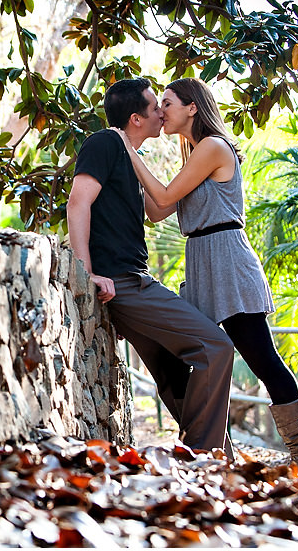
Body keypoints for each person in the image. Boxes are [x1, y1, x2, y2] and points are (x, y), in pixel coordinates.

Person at [117, 77, 298, 470]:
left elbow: (162, 197)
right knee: (190, 358)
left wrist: (128, 150)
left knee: (263, 360)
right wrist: (126, 165)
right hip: (202, 260)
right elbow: (159, 210)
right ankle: (212, 449)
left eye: (168, 102)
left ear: (192, 107)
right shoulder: (194, 155)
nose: (161, 111)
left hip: (228, 261)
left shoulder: (212, 147)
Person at [67, 77, 236, 459]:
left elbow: (159, 207)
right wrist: (85, 271)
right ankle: (201, 455)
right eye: (155, 106)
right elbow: (78, 203)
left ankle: (215, 452)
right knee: (216, 347)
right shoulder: (106, 142)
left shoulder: (128, 157)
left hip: (133, 280)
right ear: (136, 119)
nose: (162, 112)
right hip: (124, 284)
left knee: (173, 371)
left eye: (166, 104)